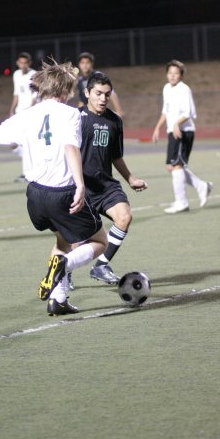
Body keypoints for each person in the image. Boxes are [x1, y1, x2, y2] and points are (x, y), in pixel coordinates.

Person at [0, 59, 108, 316]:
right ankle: (65, 264)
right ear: (66, 90)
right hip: (62, 193)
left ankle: (57, 300)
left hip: (35, 195)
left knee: (62, 238)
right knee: (99, 240)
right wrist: (80, 185)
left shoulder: (24, 116)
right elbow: (71, 147)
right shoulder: (71, 113)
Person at [76, 71, 147, 285]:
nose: (103, 99)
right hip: (80, 187)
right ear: (87, 93)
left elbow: (116, 156)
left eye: (107, 94)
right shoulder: (75, 118)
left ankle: (101, 266)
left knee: (124, 217)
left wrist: (131, 178)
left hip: (106, 185)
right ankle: (65, 275)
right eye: (98, 93)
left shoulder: (114, 121)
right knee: (75, 237)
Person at [152, 59, 212, 214]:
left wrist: (177, 124)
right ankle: (202, 186)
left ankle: (181, 202)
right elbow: (165, 111)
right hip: (173, 131)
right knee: (171, 167)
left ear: (181, 76)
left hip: (184, 131)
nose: (172, 76)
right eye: (170, 73)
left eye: (176, 73)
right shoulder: (166, 88)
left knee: (177, 166)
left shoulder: (184, 89)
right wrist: (157, 128)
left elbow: (189, 112)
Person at [9, 52, 37, 182]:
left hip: (30, 114)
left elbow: (35, 97)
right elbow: (17, 94)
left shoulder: (34, 75)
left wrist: (30, 111)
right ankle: (29, 170)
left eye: (25, 63)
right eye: (21, 62)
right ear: (17, 63)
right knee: (14, 143)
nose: (23, 65)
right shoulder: (16, 74)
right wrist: (11, 110)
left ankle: (28, 173)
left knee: (27, 142)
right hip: (19, 113)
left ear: (29, 63)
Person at [76, 52, 124, 117]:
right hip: (88, 114)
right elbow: (82, 100)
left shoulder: (98, 75)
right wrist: (78, 114)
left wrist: (119, 111)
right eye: (82, 63)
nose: (85, 65)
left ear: (92, 64)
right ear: (79, 64)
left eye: (87, 62)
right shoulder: (80, 80)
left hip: (99, 113)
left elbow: (112, 93)